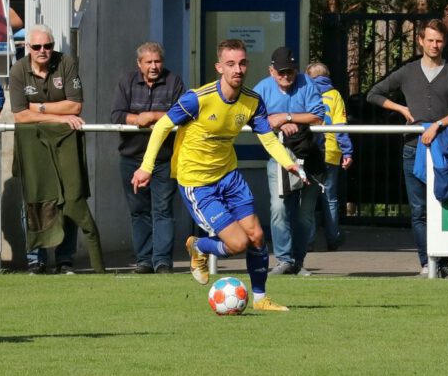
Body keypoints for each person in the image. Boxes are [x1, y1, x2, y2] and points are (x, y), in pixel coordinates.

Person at [132, 39, 301, 312]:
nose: (238, 69)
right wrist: (146, 167)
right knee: (237, 243)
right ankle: (199, 246)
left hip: (229, 176)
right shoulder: (198, 98)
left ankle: (260, 299)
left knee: (257, 236)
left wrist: (289, 163)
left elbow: (268, 138)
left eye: (242, 63)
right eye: (231, 64)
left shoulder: (252, 101)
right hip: (197, 182)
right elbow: (162, 126)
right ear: (219, 67)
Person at [367, 20, 448, 277]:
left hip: (445, 148)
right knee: (418, 210)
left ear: (444, 43)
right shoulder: (408, 71)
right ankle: (427, 263)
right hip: (413, 148)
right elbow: (374, 94)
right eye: (430, 40)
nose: (435, 45)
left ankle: (444, 264)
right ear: (421, 41)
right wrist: (401, 108)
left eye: (439, 41)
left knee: (445, 205)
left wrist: (436, 125)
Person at [9, 25, 104, 274]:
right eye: (37, 46)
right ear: (27, 48)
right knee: (34, 200)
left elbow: (75, 106)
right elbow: (20, 115)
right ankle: (36, 259)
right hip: (32, 145)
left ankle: (65, 259)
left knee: (70, 199)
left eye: (48, 46)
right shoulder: (18, 70)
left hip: (66, 144)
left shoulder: (66, 63)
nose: (43, 51)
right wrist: (58, 116)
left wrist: (38, 108)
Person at [110, 41, 185, 274]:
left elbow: (183, 113)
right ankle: (144, 261)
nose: (153, 66)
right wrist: (137, 119)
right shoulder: (127, 81)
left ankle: (162, 262)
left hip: (163, 159)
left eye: (157, 61)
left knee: (162, 210)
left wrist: (153, 115)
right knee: (139, 211)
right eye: (149, 62)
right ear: (139, 64)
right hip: (132, 158)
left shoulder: (174, 81)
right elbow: (116, 115)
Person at [253, 46, 325, 275]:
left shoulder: (307, 84)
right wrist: (276, 123)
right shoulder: (262, 89)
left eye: (290, 71)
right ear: (271, 71)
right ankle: (284, 260)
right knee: (279, 208)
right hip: (279, 157)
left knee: (305, 214)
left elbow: (318, 117)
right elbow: (250, 117)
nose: (286, 76)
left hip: (309, 156)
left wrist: (287, 116)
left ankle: (298, 262)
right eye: (281, 72)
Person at [305, 62, 352, 251]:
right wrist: (347, 151)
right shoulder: (334, 95)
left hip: (310, 151)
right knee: (330, 198)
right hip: (331, 152)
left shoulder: (306, 92)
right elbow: (341, 126)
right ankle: (333, 238)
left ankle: (308, 240)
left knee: (308, 199)